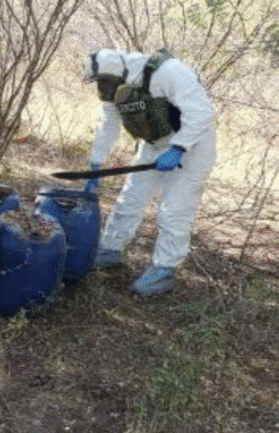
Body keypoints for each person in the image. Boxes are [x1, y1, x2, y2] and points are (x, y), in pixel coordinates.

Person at [82, 48, 216, 295]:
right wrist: (96, 163)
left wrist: (179, 148)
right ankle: (111, 249)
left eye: (104, 80)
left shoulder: (167, 72)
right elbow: (109, 125)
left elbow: (201, 112)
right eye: (98, 82)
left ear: (118, 72)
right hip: (154, 143)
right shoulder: (113, 89)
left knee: (174, 211)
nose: (102, 86)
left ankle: (164, 270)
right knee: (130, 198)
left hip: (193, 144)